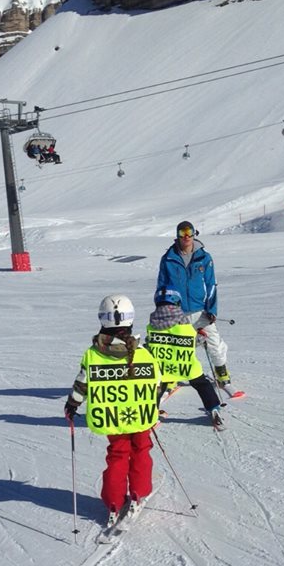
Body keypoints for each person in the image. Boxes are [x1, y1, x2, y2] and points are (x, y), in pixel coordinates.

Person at [64, 294, 160, 525]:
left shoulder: (94, 354)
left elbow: (82, 384)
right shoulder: (144, 353)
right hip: (140, 415)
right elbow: (156, 384)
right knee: (141, 450)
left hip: (113, 418)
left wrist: (72, 404)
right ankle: (138, 492)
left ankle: (114, 502)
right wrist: (153, 405)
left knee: (118, 454)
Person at [156, 220, 230, 384]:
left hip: (200, 310)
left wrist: (212, 309)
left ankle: (221, 371)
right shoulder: (168, 259)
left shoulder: (204, 257)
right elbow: (162, 286)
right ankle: (171, 377)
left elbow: (211, 285)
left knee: (213, 341)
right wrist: (163, 309)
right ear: (177, 236)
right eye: (182, 233)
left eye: (189, 232)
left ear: (194, 233)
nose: (186, 236)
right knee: (177, 347)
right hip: (177, 311)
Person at [145, 287, 224, 429]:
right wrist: (201, 337)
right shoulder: (182, 319)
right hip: (186, 364)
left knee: (157, 388)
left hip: (163, 365)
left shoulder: (153, 323)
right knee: (202, 384)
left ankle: (151, 414)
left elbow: (150, 343)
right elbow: (190, 340)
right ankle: (213, 408)